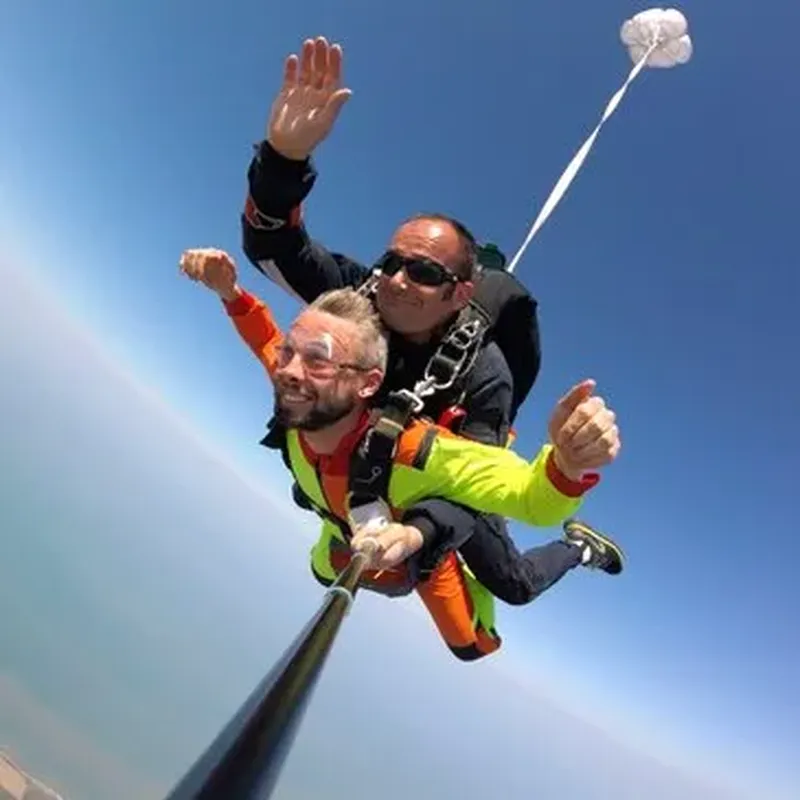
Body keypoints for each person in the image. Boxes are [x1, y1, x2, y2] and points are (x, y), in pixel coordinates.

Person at [239, 35, 618, 610]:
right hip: (366, 455)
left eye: (421, 271)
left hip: (440, 466)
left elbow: (471, 489)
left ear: (460, 293)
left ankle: (578, 551)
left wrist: (418, 532)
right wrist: (282, 163)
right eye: (392, 262)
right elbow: (275, 248)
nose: (394, 279)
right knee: (328, 543)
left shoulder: (483, 372)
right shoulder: (357, 297)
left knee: (511, 586)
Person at [179, 247, 624, 662]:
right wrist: (230, 292)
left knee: (485, 630)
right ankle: (389, 534)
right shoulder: (302, 395)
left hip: (428, 522)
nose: (291, 372)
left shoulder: (416, 450)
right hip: (346, 524)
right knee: (324, 569)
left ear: (367, 385)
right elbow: (266, 341)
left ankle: (577, 548)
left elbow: (531, 496)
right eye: (291, 357)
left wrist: (567, 464)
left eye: (317, 361)